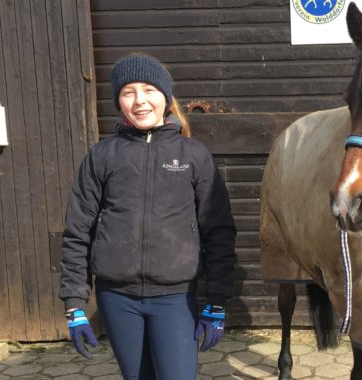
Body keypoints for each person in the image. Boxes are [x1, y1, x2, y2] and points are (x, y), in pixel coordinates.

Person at [58, 53, 237, 380]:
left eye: (149, 90)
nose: (140, 101)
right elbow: (77, 230)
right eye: (128, 92)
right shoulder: (102, 156)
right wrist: (74, 304)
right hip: (117, 299)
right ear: (119, 102)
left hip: (175, 299)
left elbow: (219, 232)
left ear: (166, 97)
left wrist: (217, 301)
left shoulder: (193, 155)